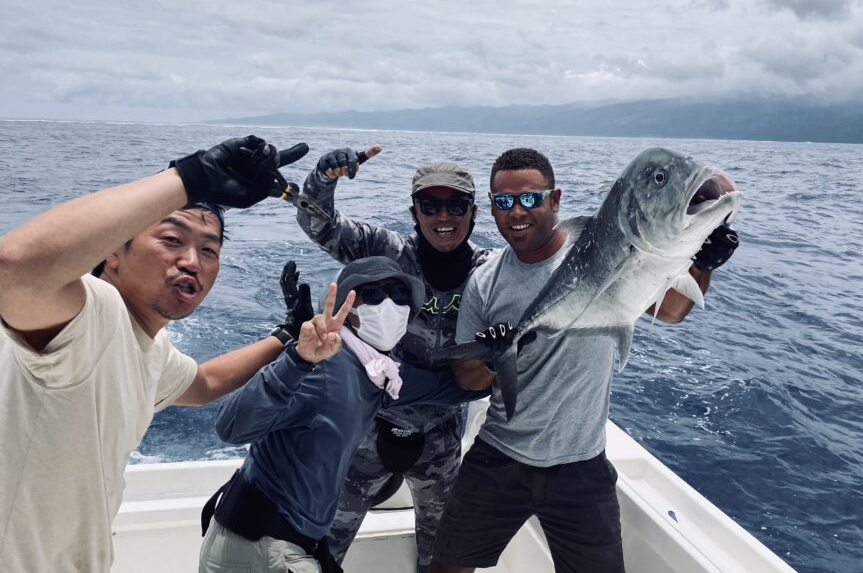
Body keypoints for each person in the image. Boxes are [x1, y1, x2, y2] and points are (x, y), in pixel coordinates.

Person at [0, 135, 310, 572]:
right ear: (111, 251)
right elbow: (16, 269)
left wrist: (285, 335)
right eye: (171, 239)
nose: (191, 261)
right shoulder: (91, 311)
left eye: (209, 250)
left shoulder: (147, 343)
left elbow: (203, 384)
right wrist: (190, 176)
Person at [429, 148, 740, 573]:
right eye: (504, 202)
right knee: (446, 566)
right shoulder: (485, 281)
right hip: (499, 454)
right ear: (491, 208)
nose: (517, 211)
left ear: (555, 201)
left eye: (530, 198)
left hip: (581, 463)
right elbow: (468, 380)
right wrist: (495, 350)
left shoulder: (609, 248)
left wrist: (703, 263)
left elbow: (670, 311)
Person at [198, 256, 491, 573]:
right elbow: (230, 427)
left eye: (399, 294)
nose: (388, 304)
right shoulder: (320, 369)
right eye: (373, 294)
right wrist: (297, 360)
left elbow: (454, 389)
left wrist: (498, 357)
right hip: (257, 548)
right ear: (346, 310)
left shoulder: (382, 375)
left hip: (288, 545)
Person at [297, 149, 494, 572]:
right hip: (367, 431)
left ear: (473, 212)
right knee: (321, 547)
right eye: (430, 205)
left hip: (440, 437)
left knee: (443, 555)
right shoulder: (387, 249)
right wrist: (323, 176)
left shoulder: (490, 271)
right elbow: (318, 224)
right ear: (414, 212)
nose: (444, 215)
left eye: (455, 205)